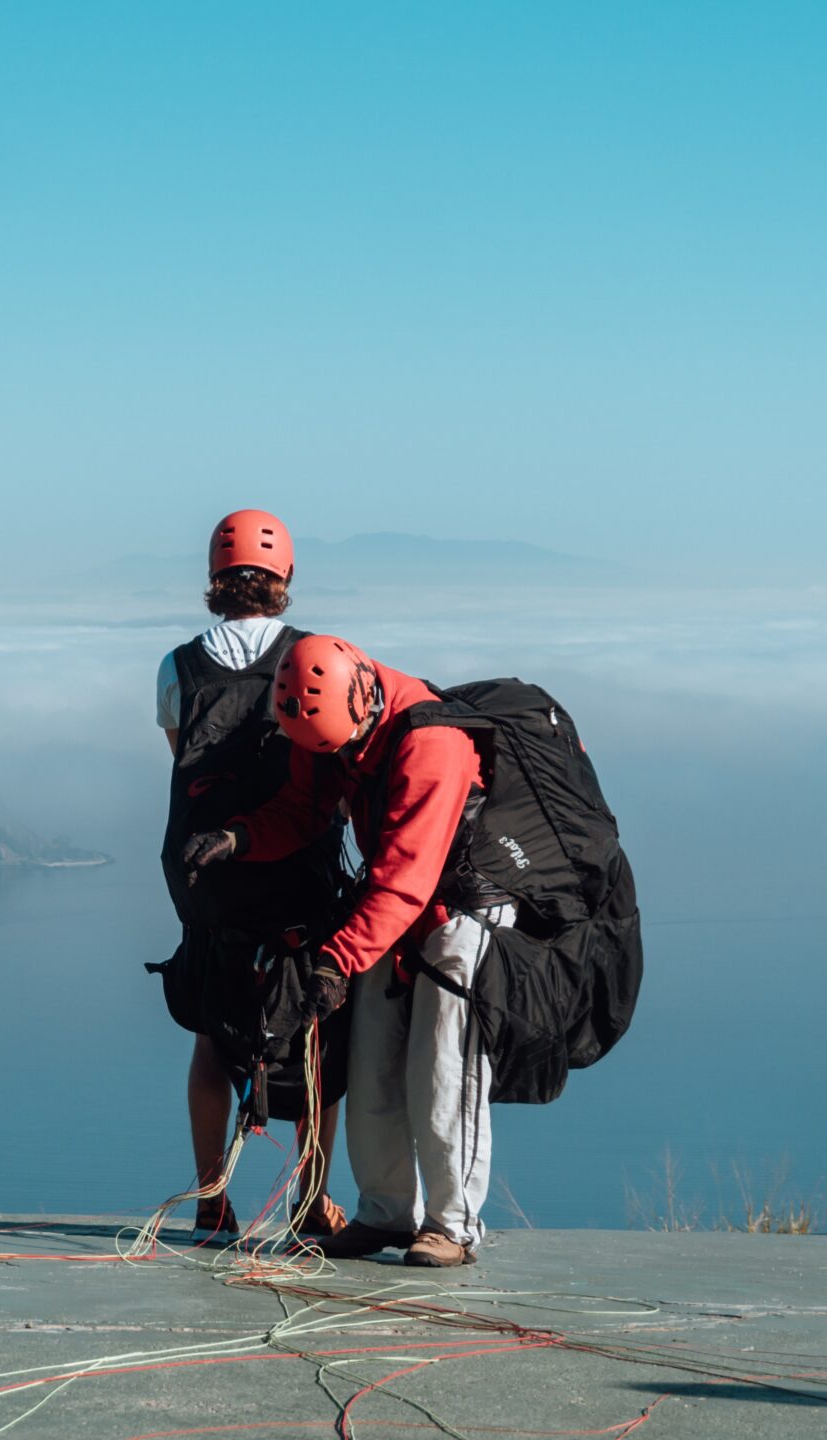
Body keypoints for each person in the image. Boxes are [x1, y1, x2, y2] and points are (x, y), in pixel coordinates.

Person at [182, 634, 509, 1267]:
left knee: (443, 1063)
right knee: (370, 1060)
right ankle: (385, 1213)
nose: (330, 759)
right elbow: (303, 810)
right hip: (392, 908)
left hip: (460, 909)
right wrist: (237, 837)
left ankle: (453, 1225)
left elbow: (405, 881)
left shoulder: (431, 745)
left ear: (363, 702)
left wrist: (332, 965)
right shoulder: (330, 719)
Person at [155, 510, 349, 1241]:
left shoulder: (178, 665)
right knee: (316, 1036)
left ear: (213, 580)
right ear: (286, 578)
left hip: (204, 875)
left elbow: (182, 759)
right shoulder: (318, 657)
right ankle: (311, 1203)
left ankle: (212, 1201)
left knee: (213, 1029)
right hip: (297, 870)